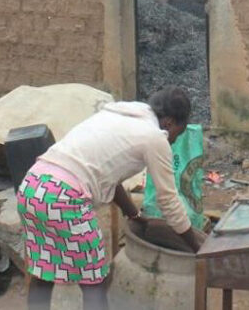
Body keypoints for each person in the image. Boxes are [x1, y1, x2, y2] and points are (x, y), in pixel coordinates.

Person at [16, 86, 205, 310]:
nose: (174, 142)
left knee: (43, 272)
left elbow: (108, 178)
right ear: (170, 123)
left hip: (32, 186)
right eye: (178, 135)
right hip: (64, 198)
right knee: (94, 281)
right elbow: (169, 201)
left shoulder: (117, 114)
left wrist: (133, 214)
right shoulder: (155, 138)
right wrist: (197, 248)